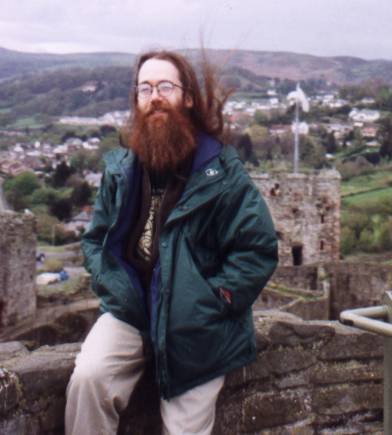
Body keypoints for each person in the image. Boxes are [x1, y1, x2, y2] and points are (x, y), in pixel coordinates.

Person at [65, 50, 278, 435]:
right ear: (136, 101)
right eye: (145, 89)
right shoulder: (122, 170)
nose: (155, 97)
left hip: (195, 328)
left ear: (188, 98)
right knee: (88, 380)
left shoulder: (222, 173)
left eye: (166, 86)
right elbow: (95, 240)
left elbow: (256, 249)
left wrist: (214, 301)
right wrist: (113, 285)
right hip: (132, 313)